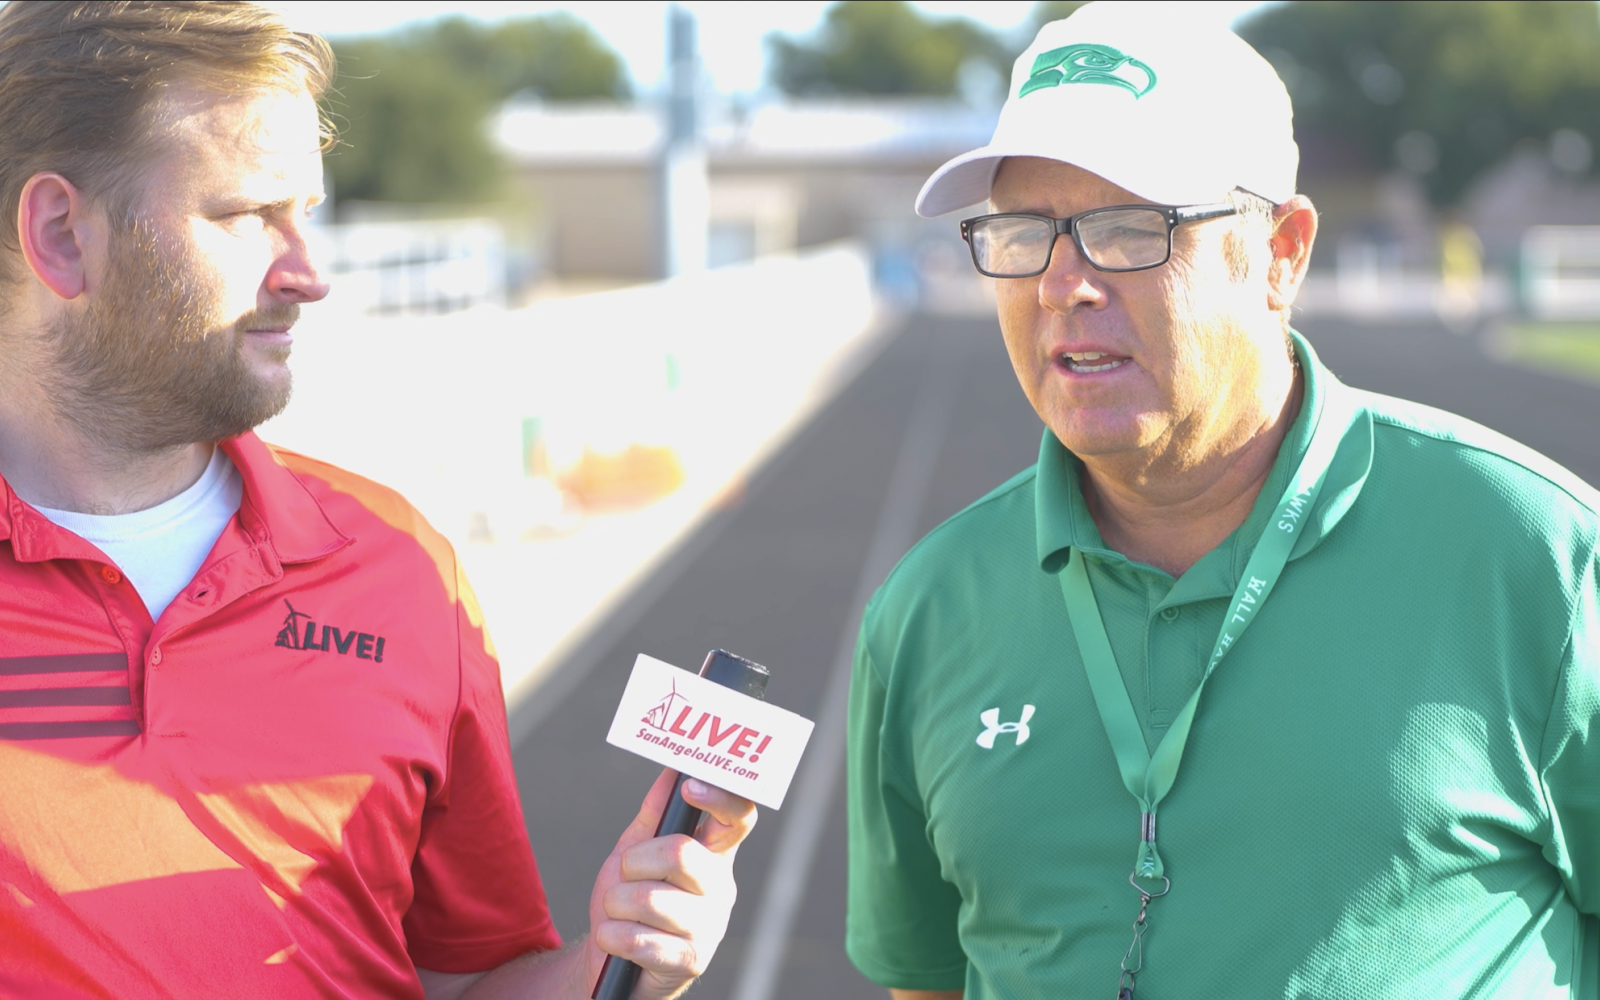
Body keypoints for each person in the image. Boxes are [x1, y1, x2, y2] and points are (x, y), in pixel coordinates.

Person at [846, 4, 1599, 998]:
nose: (1063, 283)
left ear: (1281, 251)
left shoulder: (1534, 551)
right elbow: (927, 978)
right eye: (1024, 232)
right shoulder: (928, 608)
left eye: (1127, 229)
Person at [0, 3, 753, 997]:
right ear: (61, 234)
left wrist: (615, 966)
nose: (308, 273)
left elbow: (477, 976)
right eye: (245, 215)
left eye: (306, 213)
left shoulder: (399, 568)